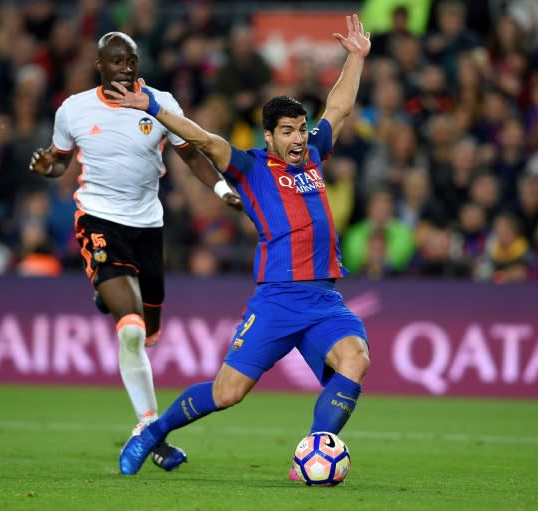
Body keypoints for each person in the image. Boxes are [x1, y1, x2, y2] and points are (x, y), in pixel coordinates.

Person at [105, 14, 372, 478]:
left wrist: (355, 58)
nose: (296, 137)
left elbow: (340, 109)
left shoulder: (313, 154)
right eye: (286, 131)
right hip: (278, 300)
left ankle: (314, 447)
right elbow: (202, 138)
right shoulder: (250, 167)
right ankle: (154, 430)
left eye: (300, 128)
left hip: (325, 299)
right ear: (269, 137)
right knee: (228, 393)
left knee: (356, 357)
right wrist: (150, 104)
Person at [27, 31, 242, 472]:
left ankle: (109, 292)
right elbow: (62, 159)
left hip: (148, 227)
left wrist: (222, 188)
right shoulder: (74, 110)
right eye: (118, 61)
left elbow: (192, 154)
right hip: (99, 221)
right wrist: (50, 168)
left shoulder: (158, 105)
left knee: (148, 332)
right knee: (130, 329)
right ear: (99, 64)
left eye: (133, 60)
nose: (127, 68)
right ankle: (149, 427)